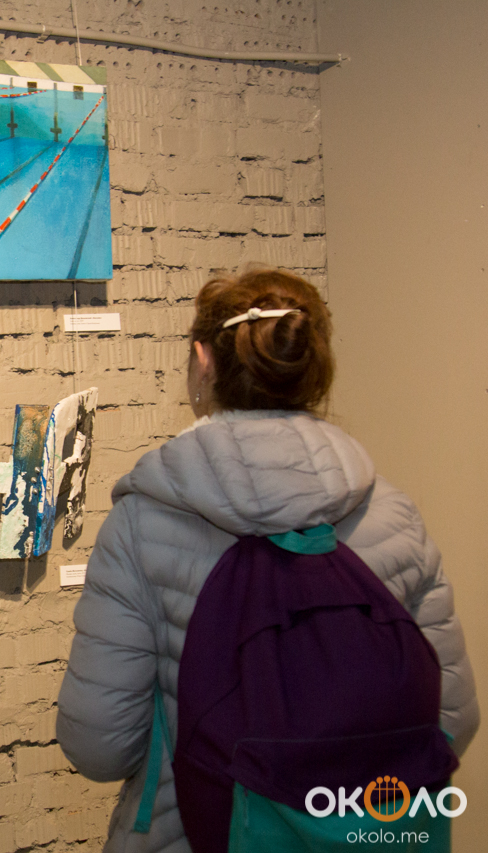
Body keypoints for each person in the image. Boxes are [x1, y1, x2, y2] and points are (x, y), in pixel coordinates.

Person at [55, 268, 479, 852]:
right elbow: (451, 718)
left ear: (203, 360)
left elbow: (100, 746)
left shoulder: (141, 524)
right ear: (316, 367)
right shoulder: (393, 516)